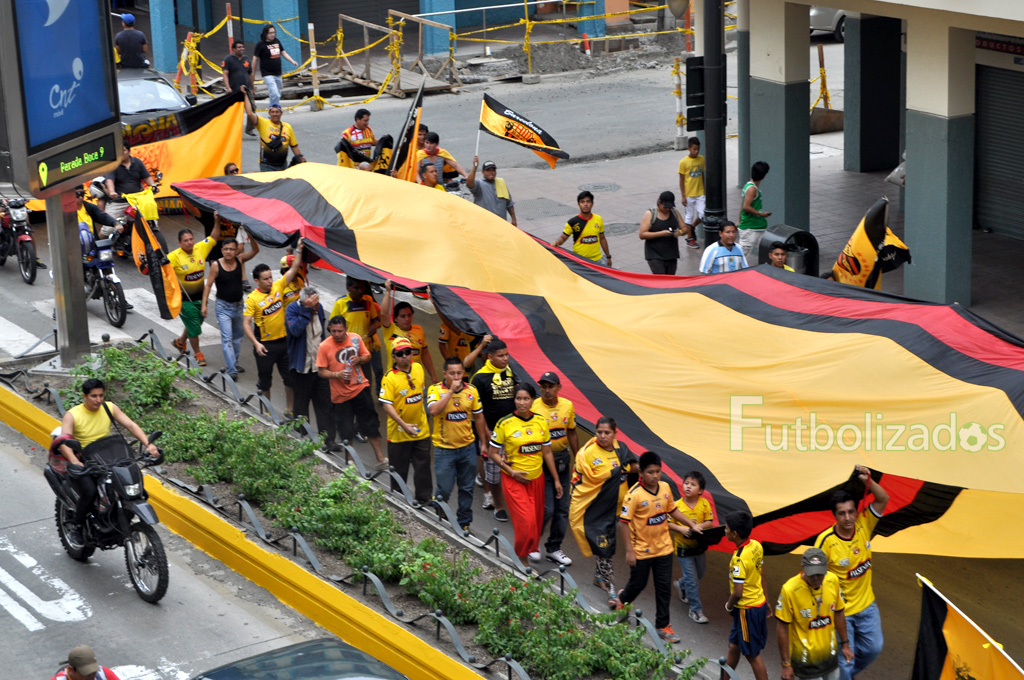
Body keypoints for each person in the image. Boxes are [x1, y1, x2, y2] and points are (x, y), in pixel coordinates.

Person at [57, 379, 159, 544]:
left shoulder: (109, 407)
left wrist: (148, 444)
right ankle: (77, 526)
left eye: (101, 395)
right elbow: (64, 443)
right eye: (94, 396)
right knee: (89, 492)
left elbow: (131, 426)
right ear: (84, 396)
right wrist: (75, 460)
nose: (98, 400)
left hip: (109, 456)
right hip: (87, 461)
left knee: (133, 487)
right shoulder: (72, 415)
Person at [616, 451, 702, 644]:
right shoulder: (633, 496)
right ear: (641, 473)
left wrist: (691, 524)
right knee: (638, 584)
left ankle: (663, 626)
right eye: (650, 472)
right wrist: (629, 551)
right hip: (641, 551)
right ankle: (623, 599)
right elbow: (623, 523)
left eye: (658, 471)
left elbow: (672, 510)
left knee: (664, 588)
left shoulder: (665, 487)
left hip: (664, 549)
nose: (655, 476)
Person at [813, 465, 889, 680]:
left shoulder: (865, 523)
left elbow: (883, 498)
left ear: (857, 511)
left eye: (851, 512)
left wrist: (868, 482)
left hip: (867, 607)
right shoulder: (825, 542)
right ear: (835, 516)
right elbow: (813, 576)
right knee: (845, 662)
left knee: (874, 648)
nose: (848, 517)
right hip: (841, 613)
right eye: (842, 513)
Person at [489, 383, 562, 561]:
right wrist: (511, 471)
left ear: (532, 400)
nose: (522, 403)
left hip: (537, 479)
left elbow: (546, 452)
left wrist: (557, 480)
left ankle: (530, 549)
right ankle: (521, 560)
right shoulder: (504, 423)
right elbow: (493, 454)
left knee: (535, 523)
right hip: (514, 480)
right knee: (526, 522)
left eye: (526, 399)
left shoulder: (541, 422)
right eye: (518, 398)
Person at [569, 416, 636, 608]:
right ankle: (610, 587)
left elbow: (633, 466)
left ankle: (599, 576)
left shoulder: (621, 449)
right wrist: (616, 472)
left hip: (621, 510)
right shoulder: (586, 454)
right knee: (605, 548)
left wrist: (630, 468)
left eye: (607, 433)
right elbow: (582, 482)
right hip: (599, 511)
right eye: (599, 432)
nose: (603, 436)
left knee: (606, 548)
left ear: (615, 434)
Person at [317, 315, 387, 468]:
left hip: (360, 387)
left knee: (371, 423)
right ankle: (350, 461)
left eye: (339, 331)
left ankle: (380, 458)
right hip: (340, 396)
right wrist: (336, 374)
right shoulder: (324, 346)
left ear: (346, 329)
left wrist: (359, 360)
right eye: (333, 331)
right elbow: (321, 371)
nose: (336, 334)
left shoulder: (355, 339)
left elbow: (367, 355)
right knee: (345, 429)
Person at [428, 356, 488, 531]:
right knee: (445, 488)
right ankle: (440, 508)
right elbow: (433, 411)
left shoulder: (472, 391)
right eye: (452, 373)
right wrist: (450, 393)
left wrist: (483, 443)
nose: (456, 377)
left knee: (467, 488)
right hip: (444, 449)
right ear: (445, 373)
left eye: (459, 373)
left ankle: (464, 522)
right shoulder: (436, 390)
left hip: (467, 448)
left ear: (464, 373)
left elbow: (478, 417)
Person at [776, 548, 854, 680]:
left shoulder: (833, 581)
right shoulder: (790, 590)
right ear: (803, 567)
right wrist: (785, 664)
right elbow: (782, 628)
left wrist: (845, 644)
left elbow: (839, 612)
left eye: (820, 573)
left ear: (827, 567)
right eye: (812, 574)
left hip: (830, 659)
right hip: (806, 663)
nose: (816, 578)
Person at [243, 243, 305, 399]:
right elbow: (246, 323)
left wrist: (298, 249)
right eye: (265, 279)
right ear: (257, 281)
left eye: (270, 277)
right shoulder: (252, 299)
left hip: (284, 342)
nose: (270, 281)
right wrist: (256, 344)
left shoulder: (279, 286)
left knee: (290, 379)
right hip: (265, 345)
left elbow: (294, 268)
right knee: (265, 382)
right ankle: (267, 412)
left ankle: (290, 411)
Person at [379, 338, 432, 503]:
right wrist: (404, 425)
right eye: (400, 354)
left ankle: (424, 499)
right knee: (399, 471)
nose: (405, 356)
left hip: (421, 430)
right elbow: (386, 405)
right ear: (394, 357)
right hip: (399, 434)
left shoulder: (417, 368)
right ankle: (399, 501)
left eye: (408, 352)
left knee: (423, 467)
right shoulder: (389, 378)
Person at [533, 371, 578, 566]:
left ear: (558, 388)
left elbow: (572, 432)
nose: (547, 390)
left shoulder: (567, 406)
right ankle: (532, 544)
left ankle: (553, 548)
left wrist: (579, 459)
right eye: (543, 386)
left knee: (562, 508)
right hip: (542, 463)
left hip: (562, 462)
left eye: (551, 386)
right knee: (547, 509)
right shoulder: (534, 407)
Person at [471, 338, 518, 522]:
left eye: (506, 355)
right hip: (490, 430)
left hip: (511, 430)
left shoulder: (508, 372)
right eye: (501, 356)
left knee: (510, 465)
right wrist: (486, 437)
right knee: (493, 469)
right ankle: (497, 503)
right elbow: (477, 411)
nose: (505, 359)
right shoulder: (480, 378)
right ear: (490, 357)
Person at [202, 235, 259, 378]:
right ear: (221, 251)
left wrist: (251, 235)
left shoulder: (240, 260)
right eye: (226, 249)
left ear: (236, 251)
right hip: (223, 307)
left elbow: (255, 250)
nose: (228, 252)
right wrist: (204, 305)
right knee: (227, 338)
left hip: (238, 306)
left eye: (232, 249)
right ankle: (232, 369)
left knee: (237, 337)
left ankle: (234, 362)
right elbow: (208, 285)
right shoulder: (216, 265)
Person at [168, 219, 222, 366]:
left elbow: (214, 237)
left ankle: (180, 341)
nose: (189, 242)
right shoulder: (173, 257)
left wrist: (216, 221)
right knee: (194, 328)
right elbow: (161, 270)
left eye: (191, 239)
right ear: (180, 243)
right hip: (185, 301)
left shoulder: (200, 248)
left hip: (200, 298)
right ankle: (198, 354)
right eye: (185, 241)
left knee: (195, 323)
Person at [724, 509, 770, 680]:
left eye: (727, 529)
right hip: (759, 603)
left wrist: (728, 606)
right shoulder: (756, 546)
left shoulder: (738, 559)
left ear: (734, 534)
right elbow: (762, 575)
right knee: (733, 646)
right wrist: (767, 601)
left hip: (746, 610)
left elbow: (737, 592)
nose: (725, 530)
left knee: (752, 654)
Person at [286, 286, 332, 443]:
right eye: (313, 303)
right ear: (304, 301)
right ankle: (302, 440)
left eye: (317, 303)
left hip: (319, 367)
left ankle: (327, 440)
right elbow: (295, 330)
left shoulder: (318, 309)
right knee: (301, 406)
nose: (316, 307)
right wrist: (306, 311)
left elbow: (321, 336)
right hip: (301, 369)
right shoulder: (292, 310)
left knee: (325, 404)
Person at [668, 470, 715, 624]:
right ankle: (695, 610)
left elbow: (710, 522)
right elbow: (667, 523)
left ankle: (681, 584)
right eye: (686, 483)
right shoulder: (677, 505)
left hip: (699, 548)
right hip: (683, 550)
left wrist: (698, 526)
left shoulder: (704, 504)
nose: (688, 486)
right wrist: (681, 529)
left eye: (693, 485)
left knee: (699, 574)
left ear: (700, 490)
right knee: (693, 580)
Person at [381, 280, 437, 383]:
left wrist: (433, 375)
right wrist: (388, 291)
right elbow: (384, 314)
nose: (407, 319)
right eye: (403, 316)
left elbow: (425, 354)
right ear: (395, 318)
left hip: (416, 378)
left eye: (409, 315)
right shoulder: (390, 329)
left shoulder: (419, 330)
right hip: (395, 379)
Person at [331, 277, 383, 390]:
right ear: (348, 288)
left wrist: (375, 325)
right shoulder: (341, 303)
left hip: (365, 352)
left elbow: (376, 320)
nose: (360, 291)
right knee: (349, 385)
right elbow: (331, 327)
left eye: (362, 287)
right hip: (347, 354)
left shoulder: (368, 301)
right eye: (356, 288)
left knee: (366, 383)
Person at [243, 96, 304, 172]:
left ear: (281, 113)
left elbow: (294, 146)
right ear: (269, 113)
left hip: (282, 166)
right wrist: (245, 95)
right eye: (272, 112)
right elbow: (250, 113)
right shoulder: (263, 123)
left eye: (277, 112)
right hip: (266, 166)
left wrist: (301, 161)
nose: (275, 114)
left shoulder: (288, 127)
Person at [552, 191, 611, 266]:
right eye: (582, 202)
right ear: (579, 204)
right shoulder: (573, 222)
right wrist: (556, 243)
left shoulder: (598, 219)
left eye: (588, 202)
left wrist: (608, 257)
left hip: (598, 261)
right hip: (580, 262)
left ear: (592, 204)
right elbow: (563, 238)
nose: (585, 204)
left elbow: (602, 238)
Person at [252, 24, 298, 109]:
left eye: (274, 32)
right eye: (270, 33)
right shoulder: (261, 44)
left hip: (277, 73)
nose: (272, 34)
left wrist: (292, 61)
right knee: (274, 93)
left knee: (278, 93)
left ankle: (275, 110)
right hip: (267, 73)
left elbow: (283, 53)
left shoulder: (277, 41)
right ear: (265, 33)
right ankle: (272, 110)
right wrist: (252, 73)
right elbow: (255, 59)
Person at [639, 191, 685, 275]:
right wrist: (661, 233)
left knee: (670, 280)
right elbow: (642, 234)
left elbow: (685, 229)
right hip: (655, 254)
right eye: (665, 207)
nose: (667, 209)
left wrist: (680, 232)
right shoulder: (650, 214)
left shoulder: (675, 212)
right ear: (659, 202)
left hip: (671, 254)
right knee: (661, 279)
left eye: (669, 207)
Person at [467, 157, 517, 226]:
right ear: (483, 172)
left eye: (493, 170)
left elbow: (509, 203)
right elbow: (469, 183)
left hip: (502, 224)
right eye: (488, 170)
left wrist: (514, 219)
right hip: (486, 226)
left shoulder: (500, 182)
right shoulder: (479, 184)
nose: (491, 172)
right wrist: (475, 167)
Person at [738, 161, 772, 261]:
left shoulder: (749, 186)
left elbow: (743, 205)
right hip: (751, 228)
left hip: (758, 227)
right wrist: (761, 214)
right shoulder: (752, 189)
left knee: (767, 251)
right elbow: (746, 207)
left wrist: (739, 220)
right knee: (742, 256)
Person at [222, 41, 255, 135]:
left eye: (243, 47)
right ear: (234, 49)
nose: (242, 49)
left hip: (246, 89)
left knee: (252, 109)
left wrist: (252, 88)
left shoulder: (247, 59)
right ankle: (230, 129)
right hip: (234, 90)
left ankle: (249, 129)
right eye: (239, 47)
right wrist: (228, 88)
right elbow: (225, 74)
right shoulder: (228, 59)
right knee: (232, 111)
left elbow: (250, 74)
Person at [677, 136, 705, 247]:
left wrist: (704, 189)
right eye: (694, 149)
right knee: (689, 216)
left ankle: (692, 227)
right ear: (689, 148)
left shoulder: (701, 159)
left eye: (698, 149)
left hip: (700, 192)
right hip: (689, 194)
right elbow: (681, 180)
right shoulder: (683, 162)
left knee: (703, 215)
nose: (696, 151)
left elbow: (702, 174)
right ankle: (690, 238)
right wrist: (683, 196)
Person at [51, 645, 121, 680]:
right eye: (86, 673)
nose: (91, 676)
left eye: (93, 672)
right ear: (71, 670)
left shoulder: (104, 674)